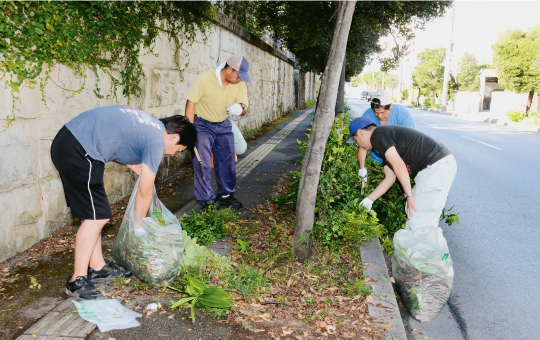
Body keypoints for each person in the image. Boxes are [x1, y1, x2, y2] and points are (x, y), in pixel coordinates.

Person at [50, 105, 197, 300]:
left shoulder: (150, 125)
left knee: (94, 214)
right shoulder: (156, 141)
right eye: (179, 149)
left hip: (72, 143)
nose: (171, 154)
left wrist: (130, 162)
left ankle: (98, 267)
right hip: (79, 150)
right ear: (174, 137)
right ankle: (77, 280)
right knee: (98, 216)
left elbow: (117, 136)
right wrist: (139, 225)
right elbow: (144, 192)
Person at [349, 117, 457, 231]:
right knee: (414, 213)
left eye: (356, 141)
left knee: (418, 217)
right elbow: (390, 178)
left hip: (436, 167)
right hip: (437, 166)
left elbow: (398, 165)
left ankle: (421, 247)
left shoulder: (377, 135)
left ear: (360, 132)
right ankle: (421, 246)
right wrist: (369, 200)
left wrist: (408, 195)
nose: (359, 146)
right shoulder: (383, 138)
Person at [185, 54, 250, 210]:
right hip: (202, 124)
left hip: (223, 124)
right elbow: (190, 104)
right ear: (229, 69)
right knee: (202, 162)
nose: (240, 79)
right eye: (239, 75)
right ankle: (206, 200)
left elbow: (244, 108)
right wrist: (189, 131)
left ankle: (225, 196)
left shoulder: (239, 85)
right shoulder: (204, 79)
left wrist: (240, 108)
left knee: (227, 161)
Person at [354, 90, 415, 188]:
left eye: (383, 112)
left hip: (401, 159)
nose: (380, 116)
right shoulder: (367, 116)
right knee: (378, 186)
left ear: (390, 106)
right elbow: (362, 145)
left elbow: (410, 141)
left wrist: (400, 166)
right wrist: (362, 168)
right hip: (377, 161)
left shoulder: (402, 114)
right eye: (376, 113)